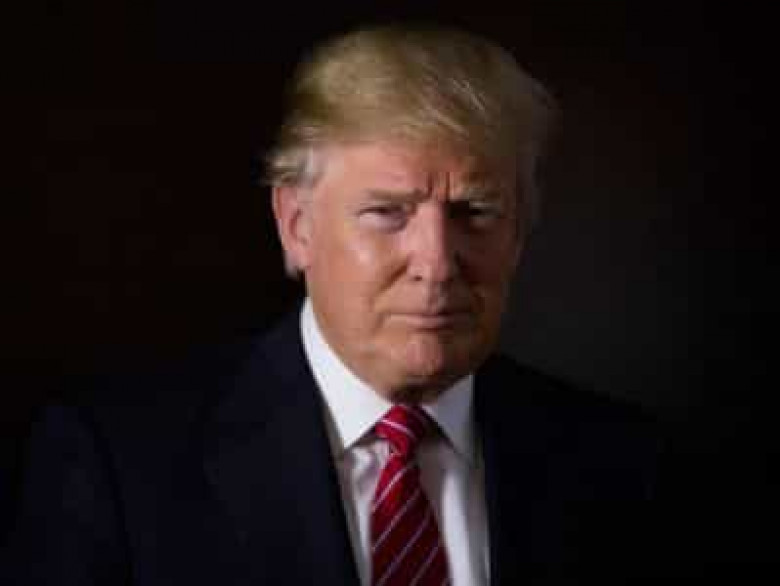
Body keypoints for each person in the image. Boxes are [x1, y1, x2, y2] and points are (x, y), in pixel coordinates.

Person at [1, 25, 664, 585]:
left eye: (475, 212)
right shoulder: (119, 468)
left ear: (519, 233)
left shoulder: (628, 469)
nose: (437, 263)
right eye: (387, 213)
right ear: (297, 227)